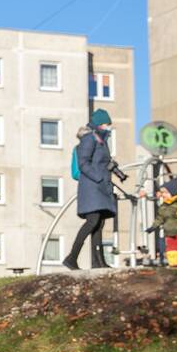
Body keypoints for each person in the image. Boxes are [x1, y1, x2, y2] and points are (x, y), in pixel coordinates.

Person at [63, 108, 116, 270]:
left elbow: (101, 162)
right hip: (92, 188)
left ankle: (98, 262)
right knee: (92, 222)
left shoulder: (101, 140)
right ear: (101, 123)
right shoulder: (89, 138)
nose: (109, 127)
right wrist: (99, 177)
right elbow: (84, 163)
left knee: (98, 224)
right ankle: (72, 258)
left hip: (100, 187)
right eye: (107, 124)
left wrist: (114, 169)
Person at [145, 177, 177, 268]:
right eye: (162, 192)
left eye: (164, 192)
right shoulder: (163, 207)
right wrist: (153, 227)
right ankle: (175, 267)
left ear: (172, 192)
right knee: (171, 251)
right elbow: (160, 218)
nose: (162, 195)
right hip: (169, 232)